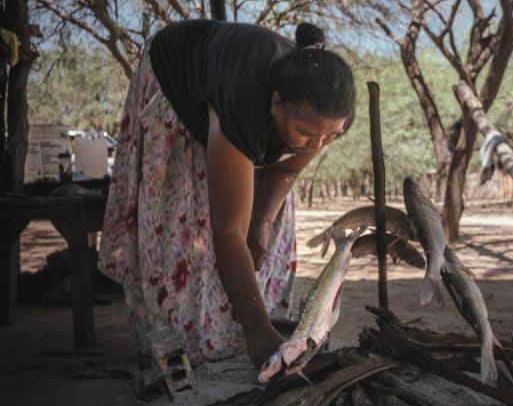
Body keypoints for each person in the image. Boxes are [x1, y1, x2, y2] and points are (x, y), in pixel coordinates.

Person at [97, 20, 356, 368]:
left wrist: (261, 223)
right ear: (276, 104)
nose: (318, 145)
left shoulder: (322, 114)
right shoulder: (241, 102)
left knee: (262, 229)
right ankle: (197, 339)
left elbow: (286, 168)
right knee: (193, 226)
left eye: (330, 136)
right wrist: (257, 329)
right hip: (176, 81)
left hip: (242, 94)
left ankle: (239, 333)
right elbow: (227, 231)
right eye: (307, 133)